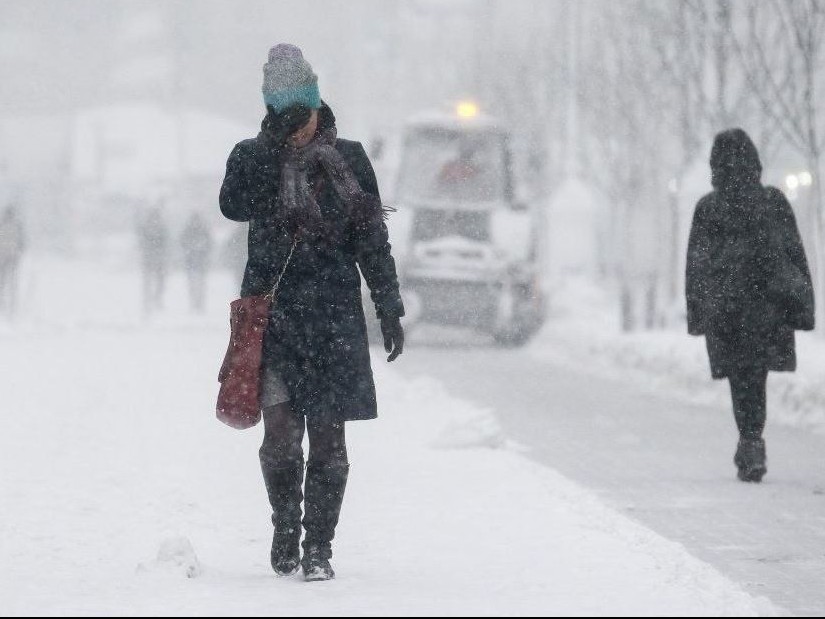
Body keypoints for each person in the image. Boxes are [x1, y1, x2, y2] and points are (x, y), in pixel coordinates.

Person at [219, 44, 404, 582]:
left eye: (300, 115)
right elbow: (232, 205)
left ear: (318, 105)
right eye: (283, 117)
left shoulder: (349, 159)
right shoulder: (254, 156)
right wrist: (266, 147)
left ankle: (319, 547)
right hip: (276, 318)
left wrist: (388, 305)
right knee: (279, 433)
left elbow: (372, 238)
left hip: (334, 319)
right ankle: (285, 526)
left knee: (329, 440)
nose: (295, 128)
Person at [686, 128, 814, 483]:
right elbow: (793, 254)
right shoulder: (772, 201)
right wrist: (801, 303)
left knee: (742, 378)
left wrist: (698, 311)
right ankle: (752, 440)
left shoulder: (709, 208)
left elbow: (697, 265)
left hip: (728, 312)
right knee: (755, 376)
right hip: (766, 309)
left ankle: (750, 440)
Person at [136, 206, 169, 315]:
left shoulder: (155, 229)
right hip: (153, 259)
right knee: (153, 281)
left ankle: (153, 298)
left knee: (156, 281)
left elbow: (143, 242)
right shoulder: (156, 229)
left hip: (154, 259)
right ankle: (151, 299)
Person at [180, 212, 213, 313]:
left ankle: (199, 302)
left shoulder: (200, 231)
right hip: (192, 262)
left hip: (199, 262)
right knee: (193, 284)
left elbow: (209, 243)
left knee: (200, 283)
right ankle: (194, 302)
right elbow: (182, 242)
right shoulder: (192, 231)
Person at [0, 205, 26, 316]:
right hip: (12, 257)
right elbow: (22, 243)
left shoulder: (2, 225)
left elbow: (22, 243)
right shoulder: (17, 226)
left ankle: (6, 303)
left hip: (4, 257)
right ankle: (11, 304)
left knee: (4, 281)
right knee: (11, 282)